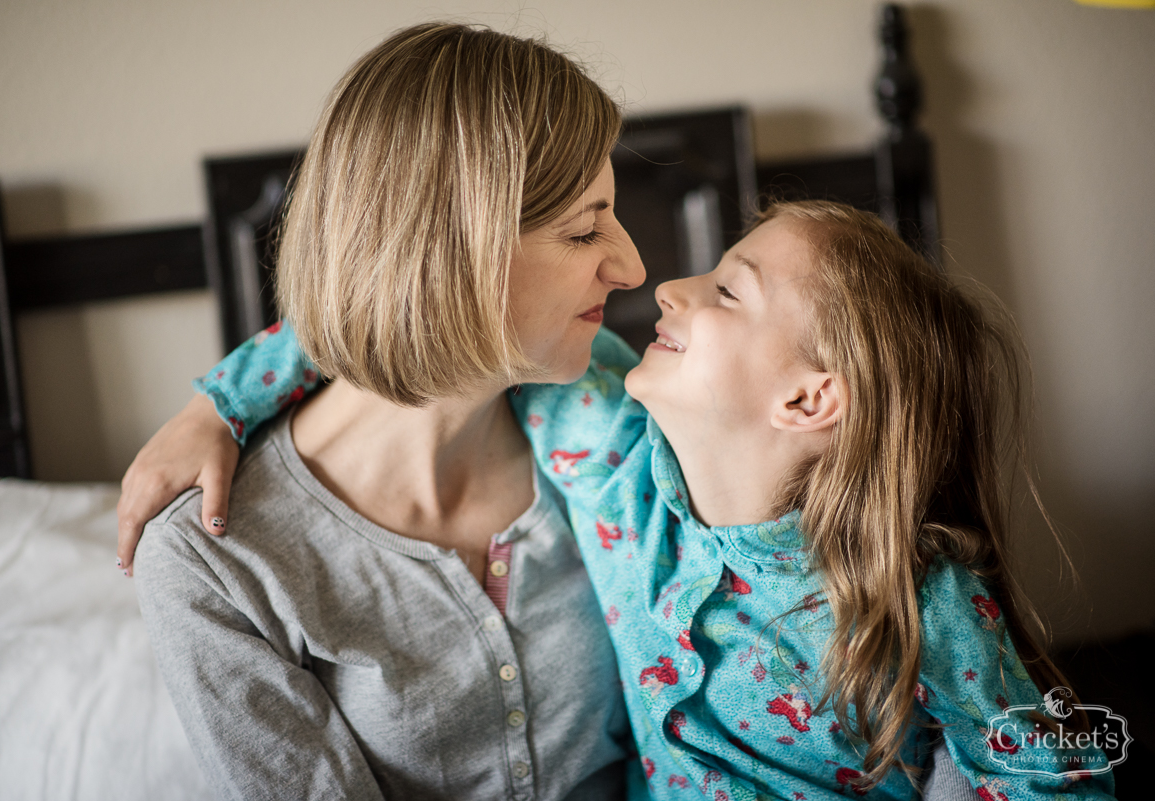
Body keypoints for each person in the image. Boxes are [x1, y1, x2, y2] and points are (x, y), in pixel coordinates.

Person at [130, 201, 1116, 799]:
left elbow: (1047, 766)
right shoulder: (600, 443)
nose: (668, 286)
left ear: (810, 398)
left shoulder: (913, 588)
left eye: (730, 292)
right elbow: (417, 306)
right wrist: (219, 403)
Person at [133, 22, 647, 801]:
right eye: (584, 230)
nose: (633, 266)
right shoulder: (216, 560)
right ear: (448, 254)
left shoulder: (608, 433)